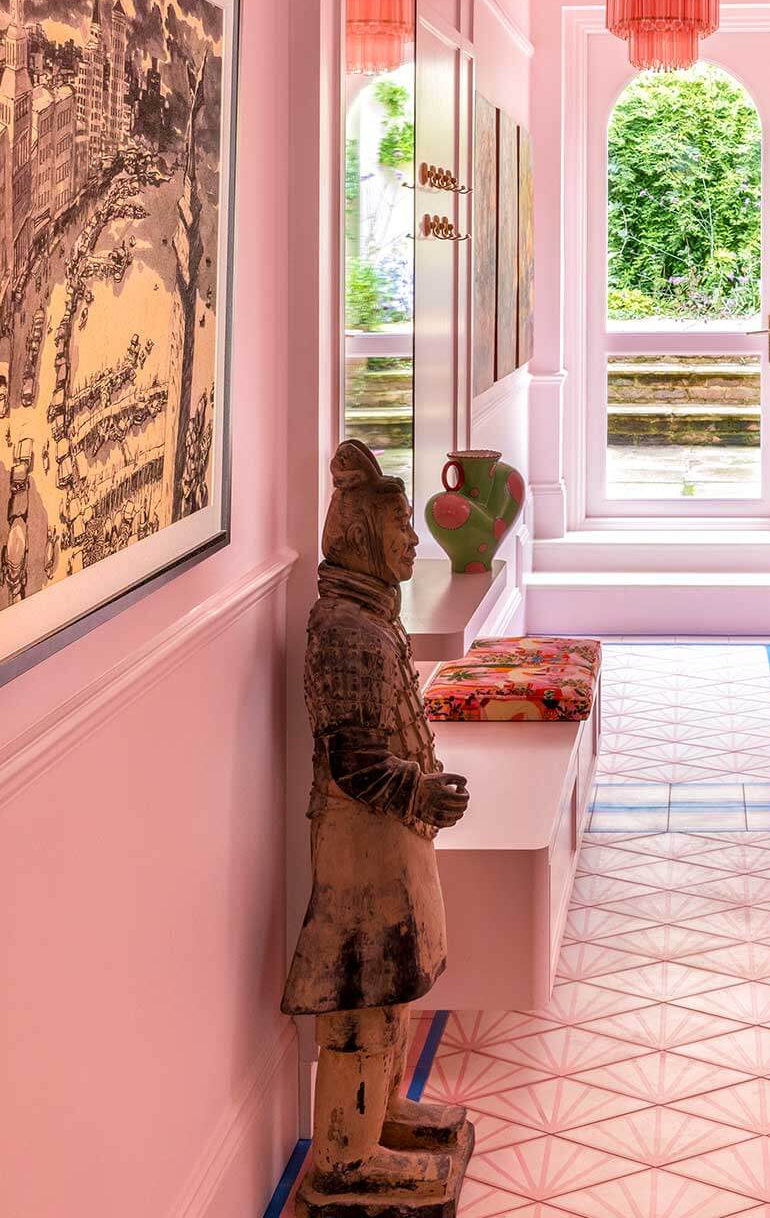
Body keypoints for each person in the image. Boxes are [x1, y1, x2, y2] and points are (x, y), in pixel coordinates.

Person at [283, 439, 473, 1213]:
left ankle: (379, 1118)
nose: (413, 541)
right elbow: (354, 763)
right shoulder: (349, 633)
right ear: (360, 535)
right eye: (399, 528)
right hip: (361, 845)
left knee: (394, 982)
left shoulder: (369, 618)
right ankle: (345, 1157)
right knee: (361, 993)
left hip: (390, 842)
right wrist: (421, 794)